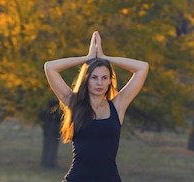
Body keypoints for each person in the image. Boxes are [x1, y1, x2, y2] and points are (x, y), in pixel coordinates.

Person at [43, 31, 149, 182]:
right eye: (94, 77)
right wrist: (87, 58)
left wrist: (105, 57)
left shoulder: (118, 106)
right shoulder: (74, 103)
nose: (99, 82)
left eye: (104, 78)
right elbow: (50, 68)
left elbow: (142, 68)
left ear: (109, 81)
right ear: (87, 80)